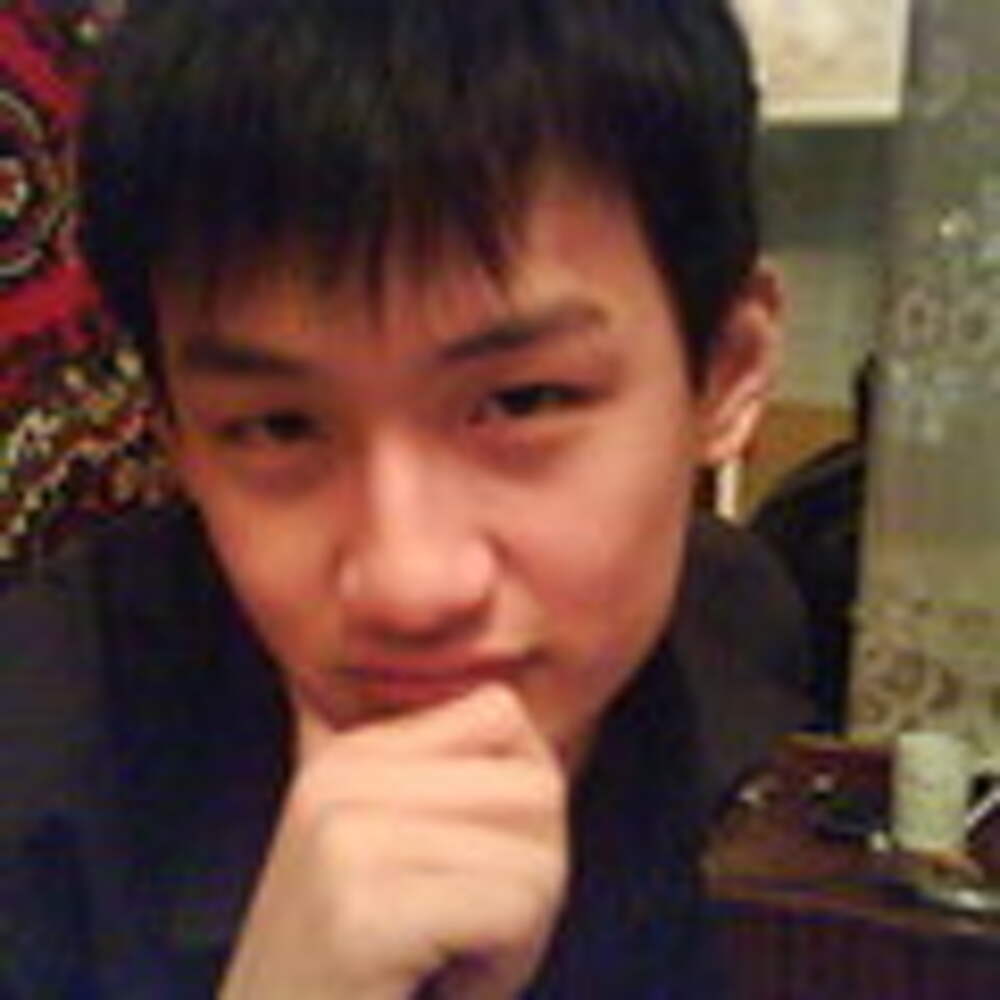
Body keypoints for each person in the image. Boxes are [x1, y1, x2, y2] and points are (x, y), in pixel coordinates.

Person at [0, 1, 813, 996]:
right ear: (175, 435)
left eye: (522, 402)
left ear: (726, 375)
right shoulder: (35, 758)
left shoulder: (740, 635)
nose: (408, 585)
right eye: (277, 427)